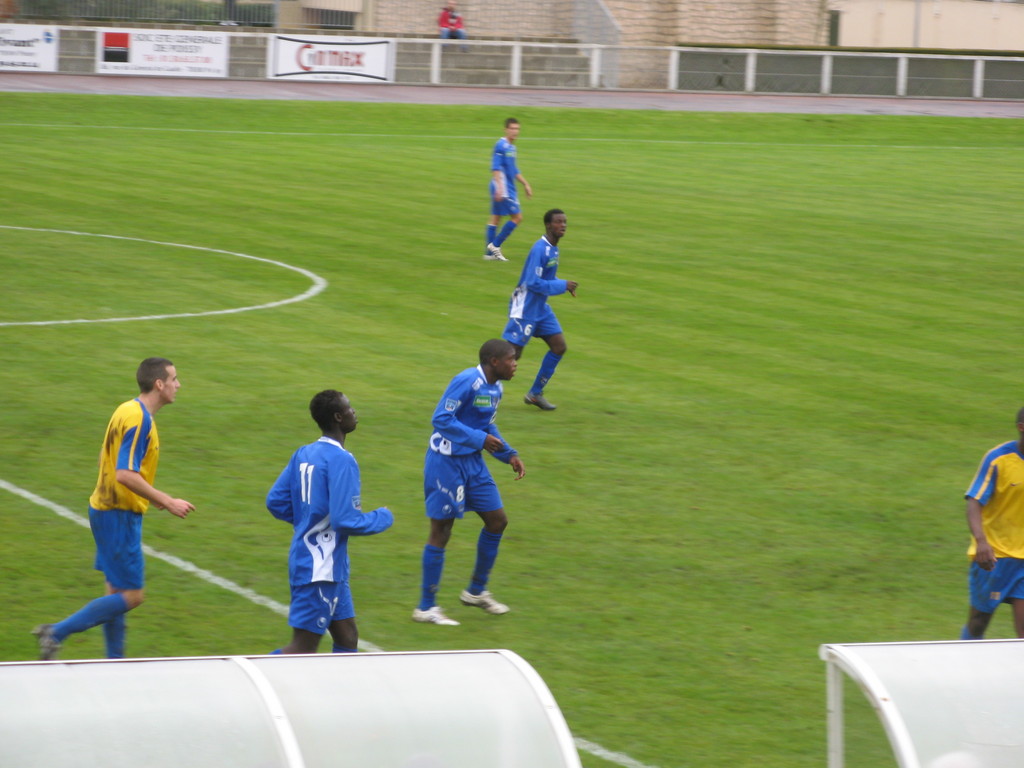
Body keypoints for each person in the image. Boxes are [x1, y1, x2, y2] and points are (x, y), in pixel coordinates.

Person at [32, 358, 194, 660]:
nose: (178, 384)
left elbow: (103, 458)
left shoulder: (126, 409)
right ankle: (55, 633)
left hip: (104, 509)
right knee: (132, 596)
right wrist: (166, 501)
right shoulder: (140, 420)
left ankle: (114, 661)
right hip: (118, 515)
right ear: (159, 384)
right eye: (174, 378)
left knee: (115, 592)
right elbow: (125, 473)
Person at [266, 389, 393, 654]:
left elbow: (275, 501)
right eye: (349, 408)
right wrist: (382, 517)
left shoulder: (304, 453)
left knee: (347, 637)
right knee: (302, 647)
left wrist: (308, 520)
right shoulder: (342, 460)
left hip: (325, 565)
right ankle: (252, 681)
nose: (353, 412)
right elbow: (346, 521)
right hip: (319, 567)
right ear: (338, 417)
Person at [414, 339, 526, 625]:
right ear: (493, 361)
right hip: (446, 463)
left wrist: (508, 454)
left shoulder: (496, 388)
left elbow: (487, 425)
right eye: (511, 359)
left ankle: (476, 592)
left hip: (472, 463)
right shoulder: (467, 381)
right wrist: (479, 439)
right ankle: (426, 608)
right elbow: (441, 418)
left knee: (497, 521)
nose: (516, 364)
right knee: (442, 529)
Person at [501, 208, 578, 411]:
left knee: (559, 346)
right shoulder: (539, 248)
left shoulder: (554, 249)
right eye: (558, 222)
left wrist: (563, 284)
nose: (563, 225)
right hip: (525, 307)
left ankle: (535, 393)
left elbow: (548, 280)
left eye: (565, 222)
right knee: (511, 355)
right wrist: (563, 286)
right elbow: (533, 282)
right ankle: (481, 390)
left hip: (540, 308)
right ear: (548, 225)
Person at [960, 407, 1024, 640]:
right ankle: (963, 667)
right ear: (1021, 428)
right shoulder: (998, 459)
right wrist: (981, 542)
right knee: (978, 623)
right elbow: (974, 501)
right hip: (995, 556)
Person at [484, 117, 532, 261]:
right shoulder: (501, 146)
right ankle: (495, 245)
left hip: (505, 186)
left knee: (496, 218)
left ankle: (489, 254)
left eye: (517, 129)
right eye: (512, 128)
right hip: (503, 187)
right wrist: (499, 187)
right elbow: (496, 168)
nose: (515, 132)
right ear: (505, 130)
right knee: (517, 217)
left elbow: (513, 170)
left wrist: (525, 184)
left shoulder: (512, 148)